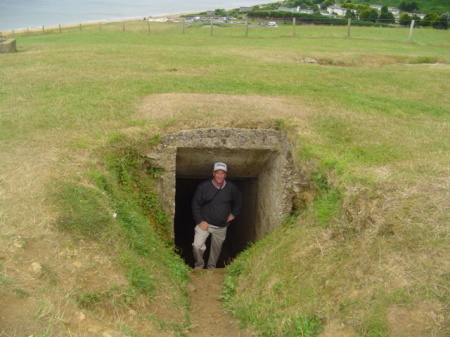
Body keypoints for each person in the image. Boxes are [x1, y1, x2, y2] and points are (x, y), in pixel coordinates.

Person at [191, 162, 242, 269]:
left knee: (216, 249)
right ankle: (199, 266)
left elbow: (239, 200)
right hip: (205, 224)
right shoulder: (204, 187)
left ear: (225, 175)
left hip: (221, 226)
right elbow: (195, 204)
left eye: (222, 173)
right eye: (217, 173)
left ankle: (211, 268)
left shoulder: (231, 187)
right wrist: (200, 221)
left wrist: (234, 214)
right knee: (197, 245)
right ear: (213, 173)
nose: (220, 176)